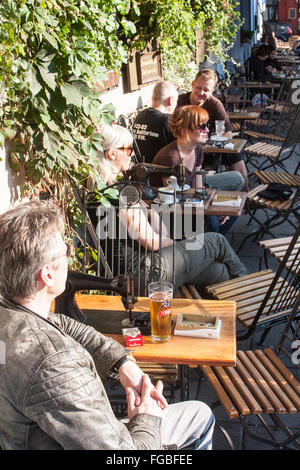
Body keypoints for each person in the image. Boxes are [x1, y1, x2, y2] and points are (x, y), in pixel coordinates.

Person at [0, 199, 215, 450]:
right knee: (200, 415)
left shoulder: (13, 313)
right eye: (66, 251)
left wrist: (122, 363)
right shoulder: (56, 367)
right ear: (47, 274)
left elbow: (64, 325)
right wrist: (147, 418)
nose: (69, 257)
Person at [97, 123, 248, 290]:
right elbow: (154, 242)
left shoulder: (104, 191)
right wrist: (179, 244)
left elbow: (155, 230)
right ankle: (248, 287)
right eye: (128, 150)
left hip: (142, 270)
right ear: (112, 153)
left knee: (219, 272)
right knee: (217, 241)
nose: (131, 154)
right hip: (142, 274)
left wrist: (151, 215)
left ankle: (236, 299)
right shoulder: (118, 195)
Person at [152, 105, 242, 235]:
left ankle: (210, 242)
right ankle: (208, 243)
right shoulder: (170, 157)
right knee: (212, 221)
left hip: (188, 200)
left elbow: (197, 187)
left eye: (207, 125)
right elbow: (173, 199)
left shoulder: (197, 148)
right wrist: (211, 210)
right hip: (171, 210)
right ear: (183, 130)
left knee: (233, 211)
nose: (206, 130)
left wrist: (214, 207)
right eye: (201, 126)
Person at [176, 69, 249, 191]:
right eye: (198, 87)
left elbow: (228, 133)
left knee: (235, 155)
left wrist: (212, 142)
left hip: (209, 150)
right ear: (192, 84)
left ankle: (244, 198)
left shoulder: (214, 104)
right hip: (186, 150)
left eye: (206, 90)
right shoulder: (180, 102)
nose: (201, 92)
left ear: (212, 91)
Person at [132, 81, 178, 163]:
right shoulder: (167, 120)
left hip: (140, 170)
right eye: (176, 101)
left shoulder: (140, 115)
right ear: (171, 100)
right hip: (160, 172)